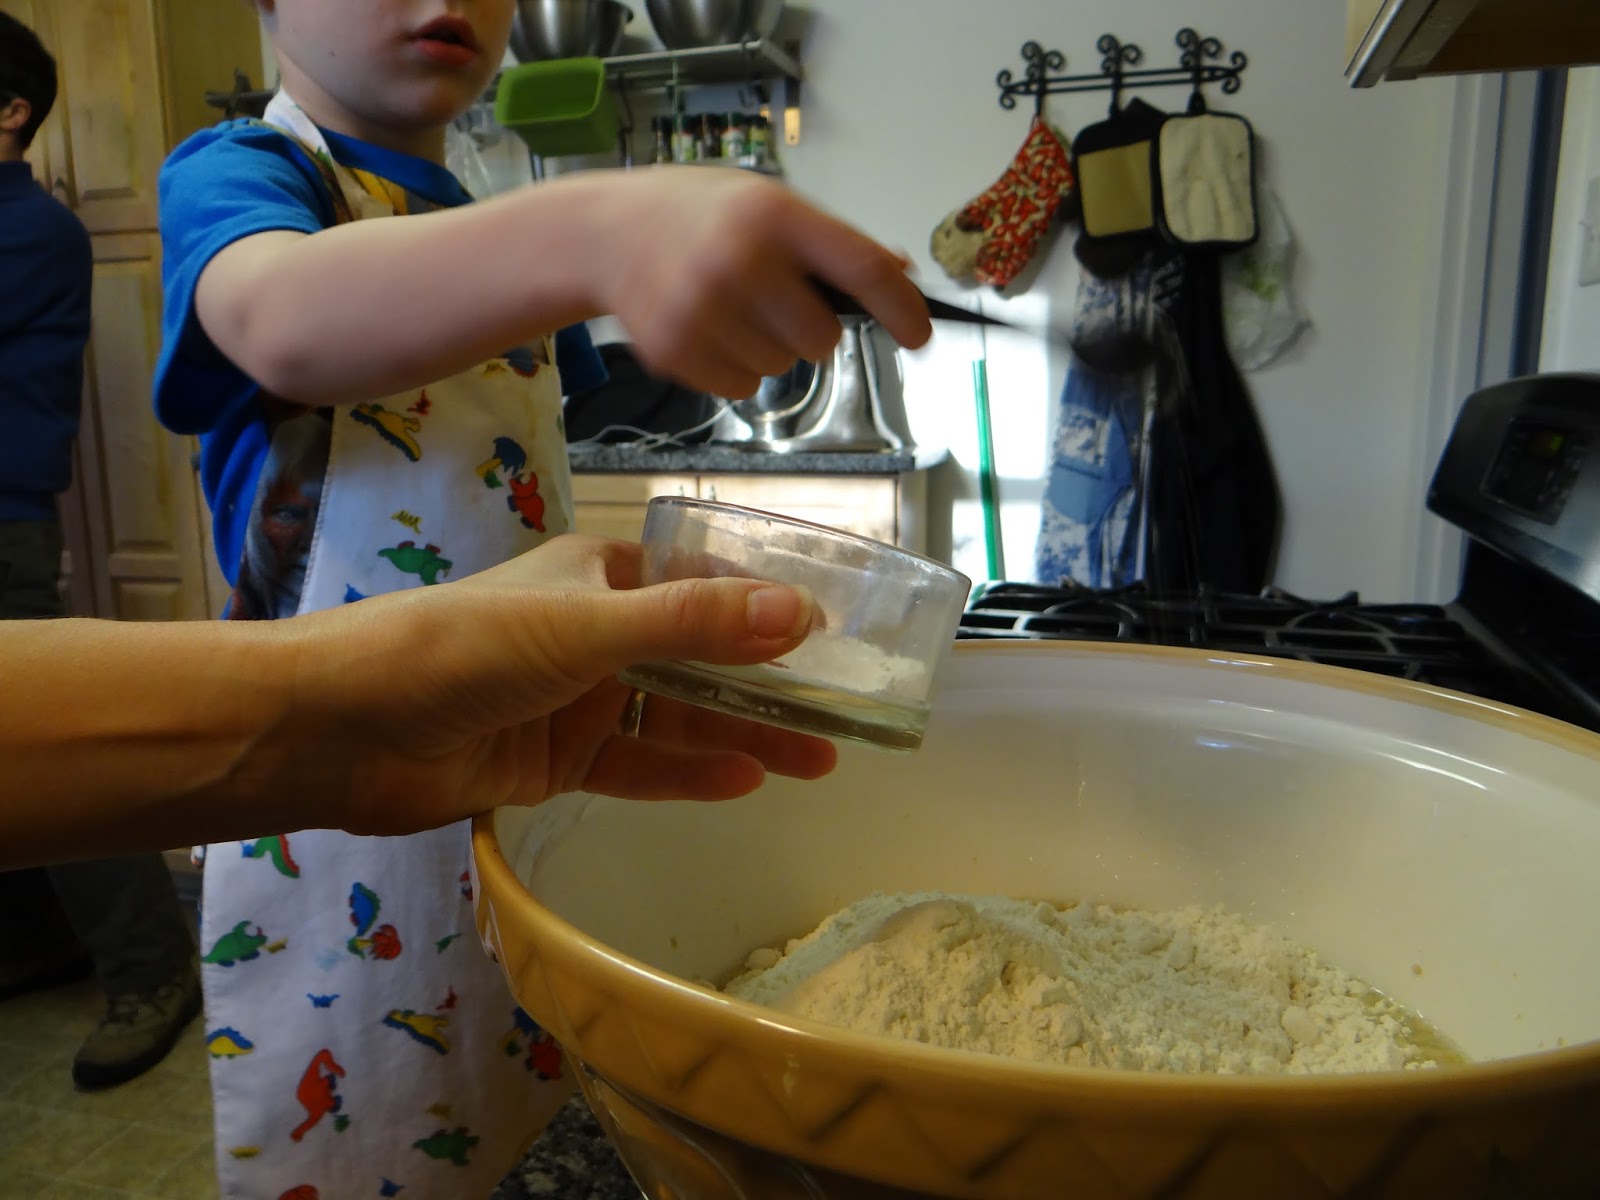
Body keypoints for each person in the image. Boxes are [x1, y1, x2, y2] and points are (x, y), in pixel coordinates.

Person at [150, 1, 929, 1194]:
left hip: (521, 768)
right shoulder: (245, 173)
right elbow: (284, 321)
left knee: (519, 1105)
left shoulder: (472, 210)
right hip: (337, 807)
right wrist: (599, 228)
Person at [1, 534, 833, 870]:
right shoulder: (256, 180)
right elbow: (270, 332)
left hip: (511, 744)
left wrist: (357, 736)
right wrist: (594, 244)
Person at [0, 11, 201, 1091]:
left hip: (2, 523)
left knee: (53, 756)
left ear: (10, 111)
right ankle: (43, 941)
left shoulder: (37, 229)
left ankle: (154, 969)